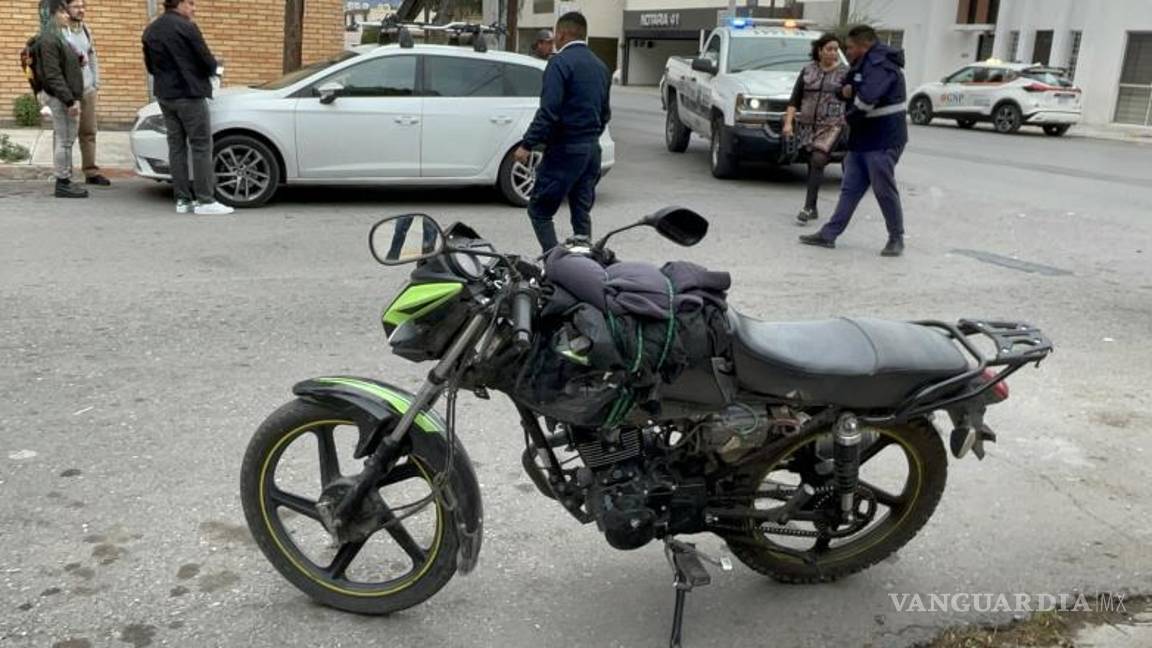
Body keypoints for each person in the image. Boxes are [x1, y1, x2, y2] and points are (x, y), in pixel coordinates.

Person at [799, 24, 908, 257]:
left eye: (848, 47)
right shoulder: (861, 63)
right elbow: (843, 88)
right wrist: (844, 93)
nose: (845, 52)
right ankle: (829, 234)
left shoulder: (881, 65)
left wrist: (846, 117)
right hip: (862, 138)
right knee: (850, 188)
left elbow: (866, 99)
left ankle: (896, 238)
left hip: (884, 138)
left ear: (863, 45)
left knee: (883, 189)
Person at [514, 12, 611, 253]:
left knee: (539, 211)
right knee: (581, 214)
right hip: (591, 151)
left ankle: (555, 263)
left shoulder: (559, 63)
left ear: (562, 33)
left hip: (565, 150)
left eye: (555, 34)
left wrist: (527, 144)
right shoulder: (601, 66)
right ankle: (586, 266)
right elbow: (605, 113)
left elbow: (549, 111)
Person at [141, 0, 234, 215]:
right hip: (190, 94)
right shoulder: (187, 27)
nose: (194, 8)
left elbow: (150, 67)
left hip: (165, 95)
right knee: (201, 146)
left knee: (176, 147)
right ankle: (205, 200)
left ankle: (182, 200)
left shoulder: (150, 30)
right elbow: (207, 61)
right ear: (180, 4)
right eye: (191, 3)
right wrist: (214, 68)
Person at [783, 33, 847, 225]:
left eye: (836, 49)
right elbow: (794, 100)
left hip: (833, 125)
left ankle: (808, 207)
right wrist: (788, 123)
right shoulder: (808, 71)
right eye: (829, 49)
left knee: (819, 159)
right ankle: (814, 206)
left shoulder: (845, 74)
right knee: (812, 161)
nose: (833, 53)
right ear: (819, 51)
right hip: (807, 126)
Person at [35, 0, 87, 198]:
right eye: (64, 12)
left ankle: (65, 179)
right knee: (64, 141)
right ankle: (62, 182)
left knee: (66, 140)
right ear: (54, 14)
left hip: (67, 97)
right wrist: (69, 100)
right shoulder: (49, 39)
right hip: (61, 99)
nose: (68, 16)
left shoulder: (59, 37)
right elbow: (53, 75)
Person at [63, 0, 110, 187]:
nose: (81, 10)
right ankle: (64, 174)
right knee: (65, 135)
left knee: (89, 132)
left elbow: (91, 56)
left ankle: (91, 172)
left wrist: (95, 82)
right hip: (68, 92)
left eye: (83, 6)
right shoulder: (59, 31)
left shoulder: (85, 29)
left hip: (88, 89)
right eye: (76, 6)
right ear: (66, 9)